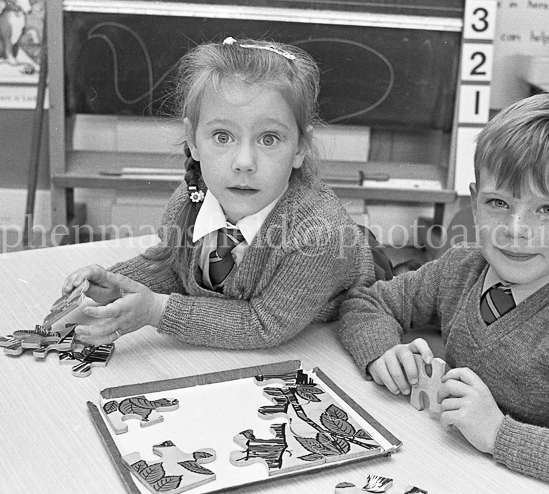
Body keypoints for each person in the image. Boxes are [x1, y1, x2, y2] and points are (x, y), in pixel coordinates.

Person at [338, 94, 549, 493]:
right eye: (498, 203)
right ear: (475, 204)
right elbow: (367, 302)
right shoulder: (461, 268)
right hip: (450, 466)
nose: (515, 229)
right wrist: (382, 352)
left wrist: (498, 433)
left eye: (548, 209)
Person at [61, 37, 376, 349]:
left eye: (269, 139)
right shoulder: (190, 198)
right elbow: (172, 267)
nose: (244, 163)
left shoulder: (319, 235)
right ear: (193, 140)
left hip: (323, 336)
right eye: (222, 136)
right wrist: (114, 284)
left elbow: (264, 324)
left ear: (300, 148)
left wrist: (158, 311)